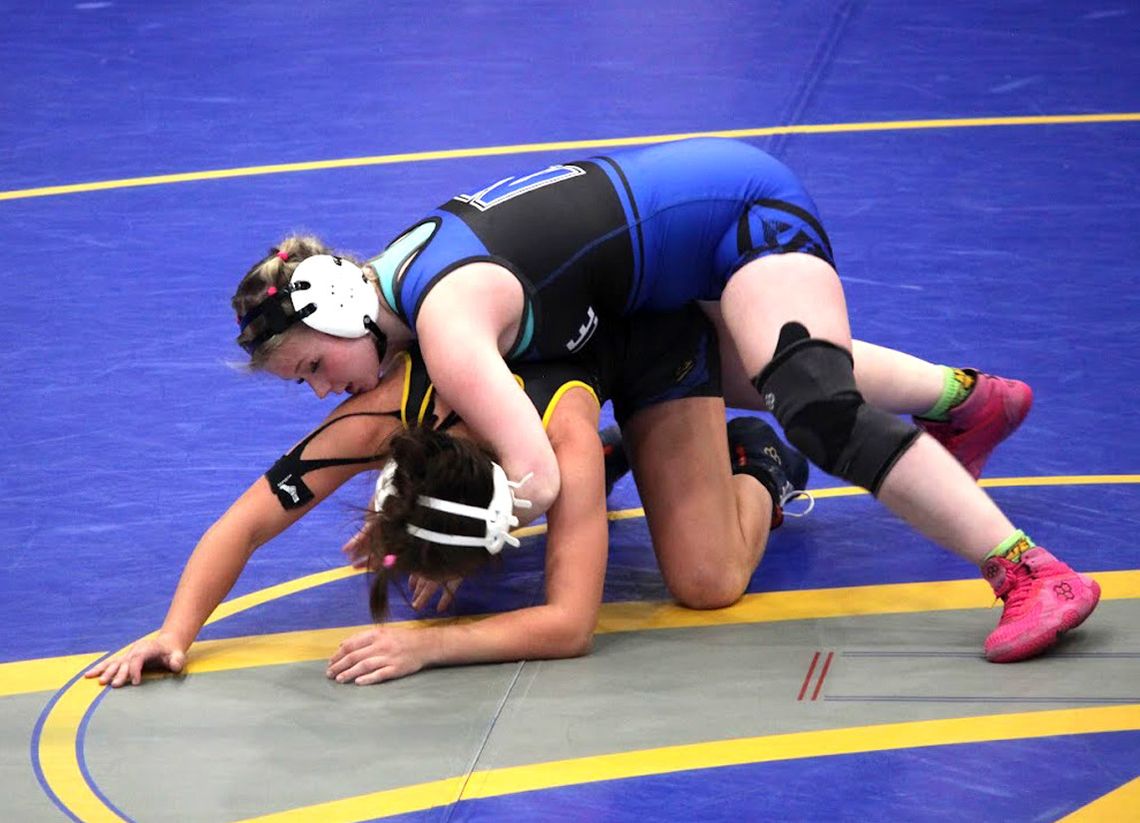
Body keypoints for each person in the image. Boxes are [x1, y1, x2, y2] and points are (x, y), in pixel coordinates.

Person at [231, 137, 1097, 663]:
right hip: (644, 312)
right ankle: (966, 400)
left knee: (812, 399)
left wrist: (430, 521)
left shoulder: (446, 321)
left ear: (339, 308)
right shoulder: (403, 298)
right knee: (750, 425)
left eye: (310, 366)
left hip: (737, 219)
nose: (318, 390)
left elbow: (529, 474)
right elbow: (507, 451)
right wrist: (417, 520)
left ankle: (1028, 570)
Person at [86, 307, 808, 687]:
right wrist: (176, 630)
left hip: (652, 346)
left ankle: (758, 460)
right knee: (419, 560)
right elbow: (247, 521)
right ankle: (631, 458)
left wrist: (427, 647)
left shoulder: (565, 444)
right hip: (542, 382)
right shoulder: (383, 408)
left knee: (707, 582)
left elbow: (568, 626)